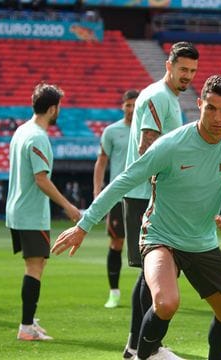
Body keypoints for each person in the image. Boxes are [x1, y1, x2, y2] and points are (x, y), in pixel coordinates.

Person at [52, 75, 221, 360]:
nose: (217, 117)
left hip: (201, 242)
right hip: (161, 237)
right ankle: (143, 355)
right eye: (211, 108)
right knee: (166, 302)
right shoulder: (172, 144)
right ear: (199, 104)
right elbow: (123, 181)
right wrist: (84, 225)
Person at [119, 41, 198, 360]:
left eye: (192, 71)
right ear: (169, 65)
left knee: (148, 272)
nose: (188, 76)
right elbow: (146, 147)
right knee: (151, 272)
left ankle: (137, 345)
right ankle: (143, 347)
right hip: (145, 195)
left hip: (148, 194)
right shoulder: (157, 97)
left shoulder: (168, 98)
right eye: (183, 70)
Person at [5, 83, 81, 341]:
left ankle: (29, 318)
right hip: (30, 213)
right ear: (52, 109)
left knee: (36, 264)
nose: (59, 110)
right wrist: (68, 206)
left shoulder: (21, 131)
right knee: (35, 267)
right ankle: (26, 328)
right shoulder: (38, 136)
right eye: (59, 106)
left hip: (17, 209)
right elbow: (41, 179)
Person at [93, 89, 139, 308]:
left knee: (152, 245)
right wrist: (97, 192)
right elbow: (101, 161)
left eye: (135, 104)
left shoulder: (147, 131)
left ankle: (150, 293)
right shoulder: (112, 131)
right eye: (128, 105)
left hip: (144, 195)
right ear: (123, 106)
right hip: (119, 195)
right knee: (116, 242)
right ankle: (114, 292)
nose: (131, 109)